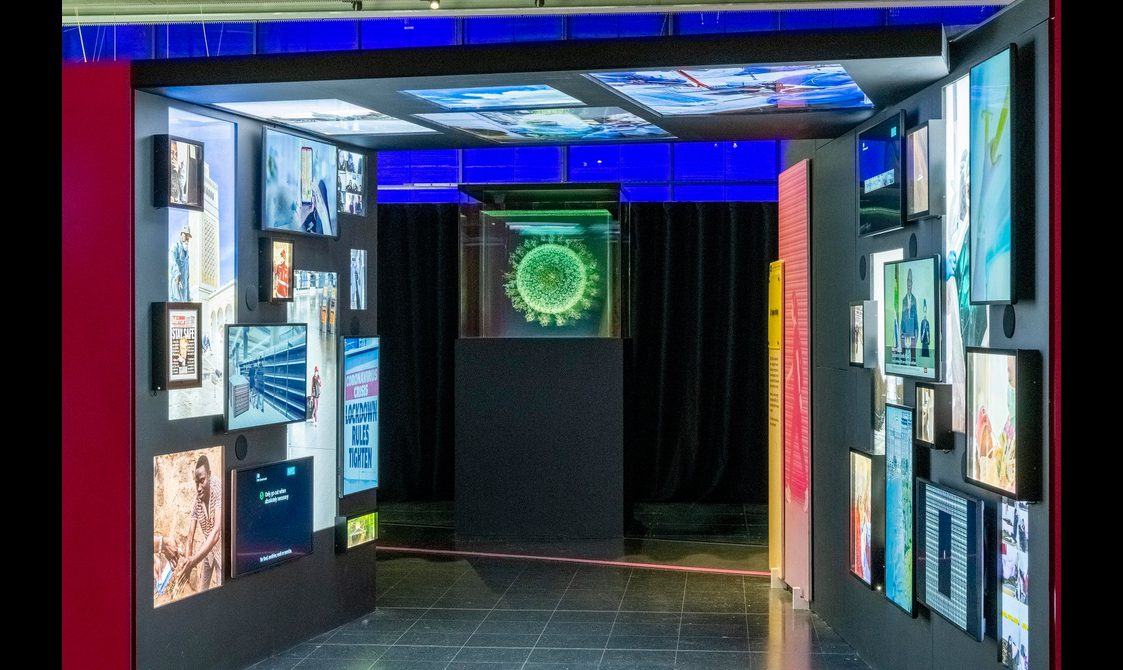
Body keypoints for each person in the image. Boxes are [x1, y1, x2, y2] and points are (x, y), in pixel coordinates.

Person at [176, 454, 222, 594]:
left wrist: (193, 561)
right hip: (207, 549)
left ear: (209, 474)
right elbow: (190, 536)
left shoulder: (218, 488)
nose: (199, 487)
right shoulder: (197, 499)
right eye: (196, 482)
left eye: (202, 481)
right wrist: (187, 563)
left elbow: (216, 533)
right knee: (203, 590)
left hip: (222, 550)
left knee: (222, 591)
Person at [899, 268, 919, 365]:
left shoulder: (914, 299)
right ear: (906, 283)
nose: (909, 283)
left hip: (912, 331)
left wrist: (916, 332)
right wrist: (901, 332)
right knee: (902, 355)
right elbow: (902, 317)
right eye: (908, 281)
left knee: (913, 356)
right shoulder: (903, 300)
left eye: (910, 281)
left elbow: (916, 317)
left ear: (912, 283)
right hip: (905, 330)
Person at [168, 222, 192, 301]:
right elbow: (171, 259)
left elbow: (187, 275)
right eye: (186, 235)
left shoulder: (187, 253)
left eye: (188, 237)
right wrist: (177, 274)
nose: (187, 239)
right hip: (176, 284)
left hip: (184, 290)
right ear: (182, 235)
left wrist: (188, 297)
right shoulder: (175, 246)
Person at [919, 298, 931, 363]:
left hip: (927, 341)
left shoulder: (927, 322)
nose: (925, 313)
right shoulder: (922, 322)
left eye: (925, 311)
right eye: (924, 311)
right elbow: (921, 333)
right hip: (923, 341)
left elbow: (929, 333)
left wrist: (927, 333)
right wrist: (923, 333)